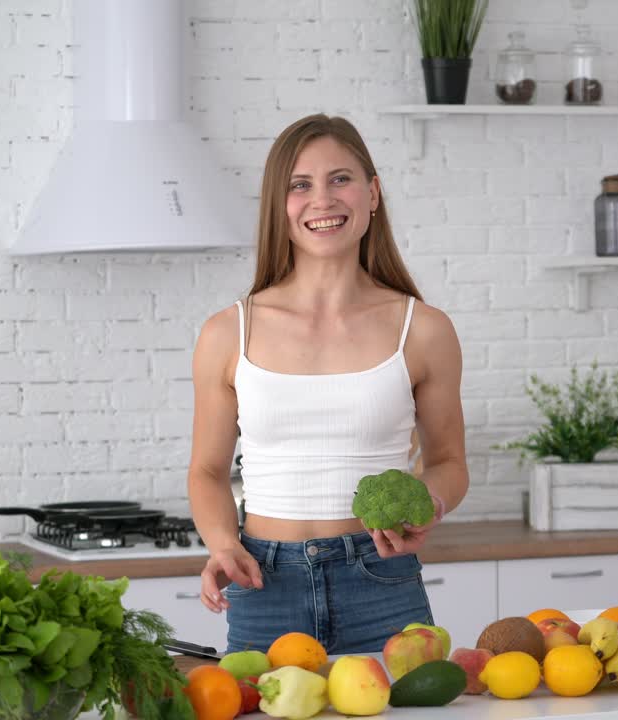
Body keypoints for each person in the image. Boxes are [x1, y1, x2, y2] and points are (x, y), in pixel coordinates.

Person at [186, 114, 469, 655]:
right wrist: (223, 544)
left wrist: (427, 502)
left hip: (382, 578)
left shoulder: (424, 329)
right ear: (279, 205)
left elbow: (450, 463)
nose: (323, 199)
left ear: (373, 193)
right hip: (264, 582)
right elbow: (206, 471)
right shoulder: (228, 333)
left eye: (340, 178)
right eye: (300, 185)